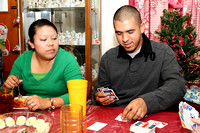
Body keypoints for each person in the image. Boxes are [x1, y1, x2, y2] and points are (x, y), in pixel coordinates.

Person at [92, 5, 186, 121]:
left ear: (142, 27)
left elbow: (178, 86)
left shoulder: (163, 53)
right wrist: (99, 97)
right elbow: (98, 91)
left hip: (154, 118)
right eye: (119, 33)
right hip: (118, 119)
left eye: (130, 31)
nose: (125, 39)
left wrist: (146, 102)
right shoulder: (108, 58)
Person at [1, 19, 82, 111]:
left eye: (54, 38)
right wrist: (6, 87)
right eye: (44, 39)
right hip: (29, 114)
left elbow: (78, 94)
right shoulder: (22, 60)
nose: (51, 43)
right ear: (31, 43)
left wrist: (48, 102)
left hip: (61, 113)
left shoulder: (67, 59)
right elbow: (9, 94)